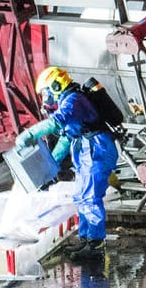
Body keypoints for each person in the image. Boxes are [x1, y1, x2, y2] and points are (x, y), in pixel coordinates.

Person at [16, 66, 118, 253]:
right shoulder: (70, 101)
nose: (46, 99)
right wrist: (50, 167)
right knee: (81, 197)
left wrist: (29, 134)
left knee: (90, 198)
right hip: (86, 150)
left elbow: (56, 123)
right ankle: (85, 238)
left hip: (96, 150)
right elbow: (65, 139)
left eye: (46, 93)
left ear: (56, 85)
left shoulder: (74, 100)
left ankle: (95, 243)